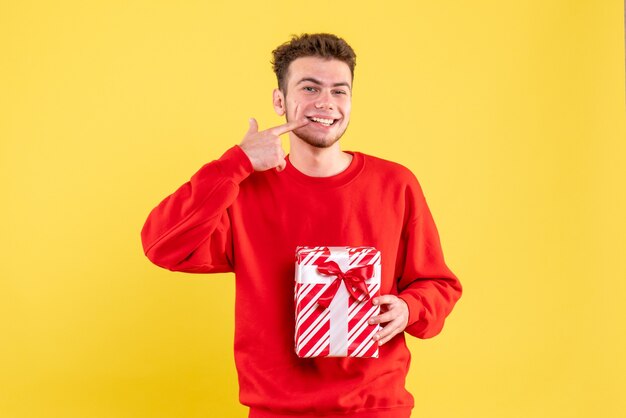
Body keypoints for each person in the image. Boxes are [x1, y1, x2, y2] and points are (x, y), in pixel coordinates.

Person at [141, 33, 462, 418]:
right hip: (277, 409)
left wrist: (408, 309)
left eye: (339, 91)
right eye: (310, 88)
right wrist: (235, 163)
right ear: (280, 101)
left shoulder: (396, 184)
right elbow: (161, 244)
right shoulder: (241, 191)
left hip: (375, 406)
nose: (326, 103)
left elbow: (439, 284)